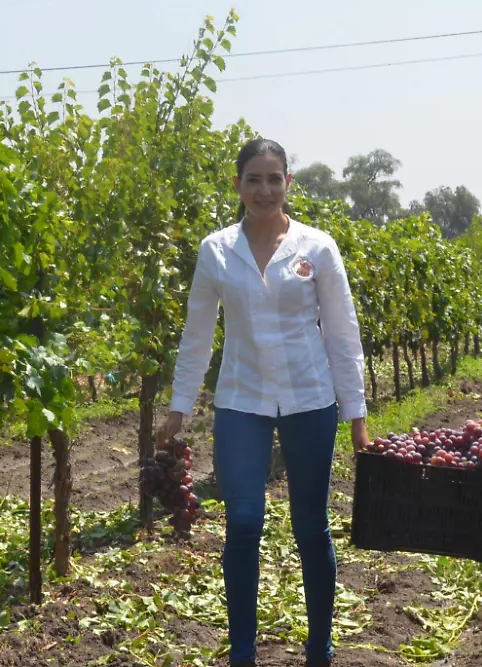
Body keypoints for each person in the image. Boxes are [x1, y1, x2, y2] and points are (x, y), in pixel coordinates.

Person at [158, 138, 371, 667]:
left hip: (309, 399)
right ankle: (243, 654)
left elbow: (343, 335)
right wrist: (179, 405)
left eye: (274, 178)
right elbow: (197, 334)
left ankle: (319, 649)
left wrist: (357, 416)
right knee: (245, 519)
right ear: (237, 186)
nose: (264, 189)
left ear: (288, 184)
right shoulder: (215, 251)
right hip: (242, 400)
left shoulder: (317, 247)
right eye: (253, 179)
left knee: (309, 524)